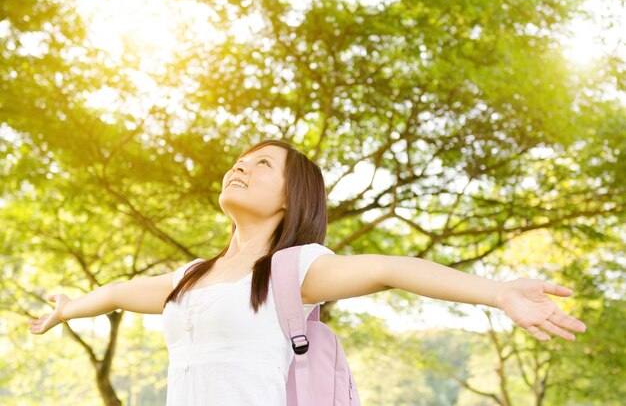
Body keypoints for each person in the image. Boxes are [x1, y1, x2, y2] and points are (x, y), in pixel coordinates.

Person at [29, 139, 587, 405]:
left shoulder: (294, 270)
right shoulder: (192, 277)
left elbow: (391, 269)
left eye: (261, 164)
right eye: (239, 161)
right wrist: (68, 308)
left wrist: (498, 293)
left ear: (290, 199)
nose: (240, 167)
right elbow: (124, 292)